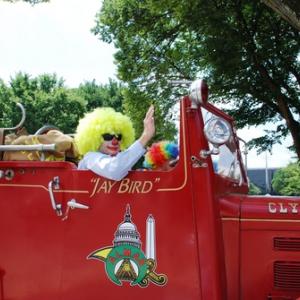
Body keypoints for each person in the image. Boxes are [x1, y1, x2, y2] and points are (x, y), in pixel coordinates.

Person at [75, 105, 155, 181]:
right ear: (94, 138)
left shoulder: (120, 160)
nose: (115, 141)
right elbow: (114, 170)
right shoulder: (90, 158)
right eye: (108, 136)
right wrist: (145, 137)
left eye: (118, 137)